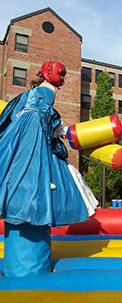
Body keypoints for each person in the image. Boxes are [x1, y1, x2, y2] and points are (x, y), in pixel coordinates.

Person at [0, 61, 97, 277]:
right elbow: (43, 116)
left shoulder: (28, 94)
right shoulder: (46, 91)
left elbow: (15, 114)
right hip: (33, 143)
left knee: (18, 185)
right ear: (49, 74)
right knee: (35, 185)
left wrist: (57, 129)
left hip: (20, 144)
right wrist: (58, 130)